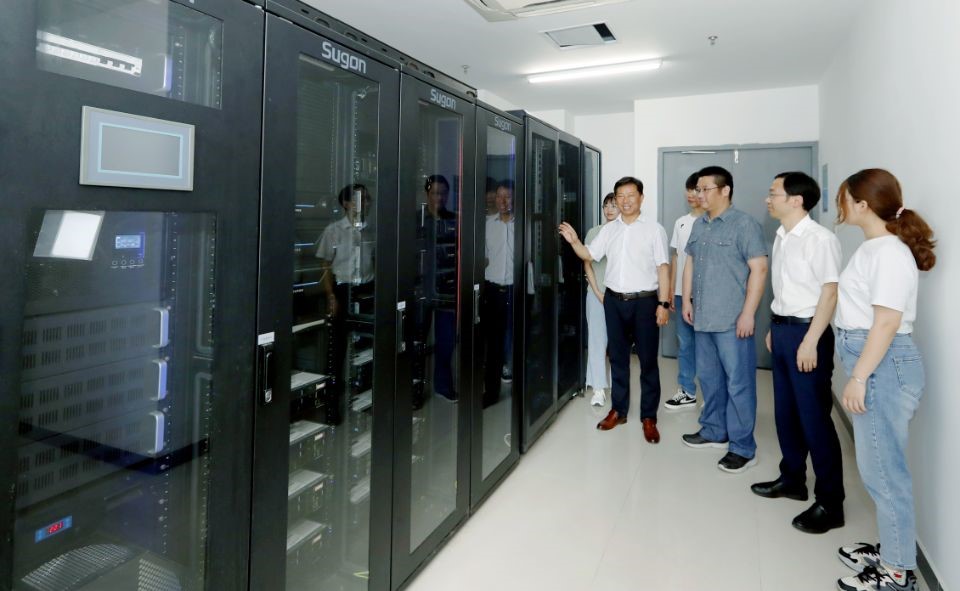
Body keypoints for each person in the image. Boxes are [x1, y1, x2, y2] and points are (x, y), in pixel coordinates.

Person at [832, 169, 935, 591]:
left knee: (884, 472)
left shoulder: (889, 253)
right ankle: (894, 551)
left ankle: (897, 574)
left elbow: (887, 322)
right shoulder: (874, 247)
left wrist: (859, 376)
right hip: (876, 362)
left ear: (862, 204)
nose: (839, 205)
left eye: (843, 198)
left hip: (882, 367)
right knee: (878, 467)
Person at [750, 172, 845, 535]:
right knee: (786, 414)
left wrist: (810, 340)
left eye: (773, 193)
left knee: (814, 419)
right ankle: (792, 480)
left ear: (796, 200)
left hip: (809, 334)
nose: (768, 199)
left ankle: (830, 503)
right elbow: (785, 290)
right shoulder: (781, 236)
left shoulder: (820, 239)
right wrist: (775, 327)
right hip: (784, 330)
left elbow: (830, 293)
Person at [558, 176, 670, 443]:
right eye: (620, 196)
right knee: (618, 359)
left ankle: (648, 417)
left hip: (644, 302)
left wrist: (663, 303)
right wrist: (574, 241)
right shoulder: (610, 230)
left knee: (648, 361)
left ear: (641, 198)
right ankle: (619, 411)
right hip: (614, 301)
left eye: (631, 195)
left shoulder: (654, 230)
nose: (625, 200)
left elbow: (663, 268)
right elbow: (589, 255)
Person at [681, 166, 768, 473]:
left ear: (725, 190)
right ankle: (714, 430)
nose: (699, 194)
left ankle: (743, 447)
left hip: (732, 320)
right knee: (709, 379)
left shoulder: (744, 224)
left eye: (705, 189)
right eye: (697, 189)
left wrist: (748, 313)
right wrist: (686, 299)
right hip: (703, 317)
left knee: (739, 384)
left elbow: (759, 269)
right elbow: (690, 262)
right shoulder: (699, 225)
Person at [663, 172, 704, 411]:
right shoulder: (681, 222)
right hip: (680, 294)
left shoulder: (712, 221)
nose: (691, 194)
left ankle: (712, 394)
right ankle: (687, 391)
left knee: (709, 346)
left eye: (696, 189)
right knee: (685, 343)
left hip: (706, 295)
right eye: (689, 189)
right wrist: (671, 290)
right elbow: (676, 257)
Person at [583, 193, 619, 406]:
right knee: (597, 341)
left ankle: (617, 384)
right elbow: (587, 263)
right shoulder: (594, 232)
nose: (609, 209)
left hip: (620, 296)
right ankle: (598, 389)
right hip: (596, 293)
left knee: (618, 342)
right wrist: (597, 292)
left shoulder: (625, 233)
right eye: (606, 205)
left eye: (613, 205)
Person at [481, 179, 515, 408]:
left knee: (517, 340)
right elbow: (483, 258)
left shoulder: (522, 224)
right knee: (492, 345)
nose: (502, 201)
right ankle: (491, 393)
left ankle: (520, 388)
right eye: (499, 196)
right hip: (492, 291)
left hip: (515, 290)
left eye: (507, 197)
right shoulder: (487, 225)